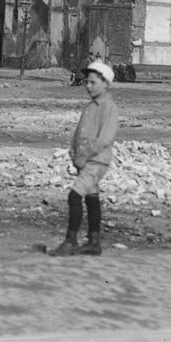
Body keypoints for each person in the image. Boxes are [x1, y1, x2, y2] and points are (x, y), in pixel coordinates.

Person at [50, 59, 119, 256]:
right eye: (87, 82)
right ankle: (94, 241)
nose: (88, 86)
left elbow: (104, 139)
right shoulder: (91, 106)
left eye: (93, 82)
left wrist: (84, 155)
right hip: (85, 160)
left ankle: (71, 240)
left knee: (74, 195)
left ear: (106, 83)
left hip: (96, 161)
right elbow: (79, 131)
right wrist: (73, 151)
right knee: (91, 197)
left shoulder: (109, 108)